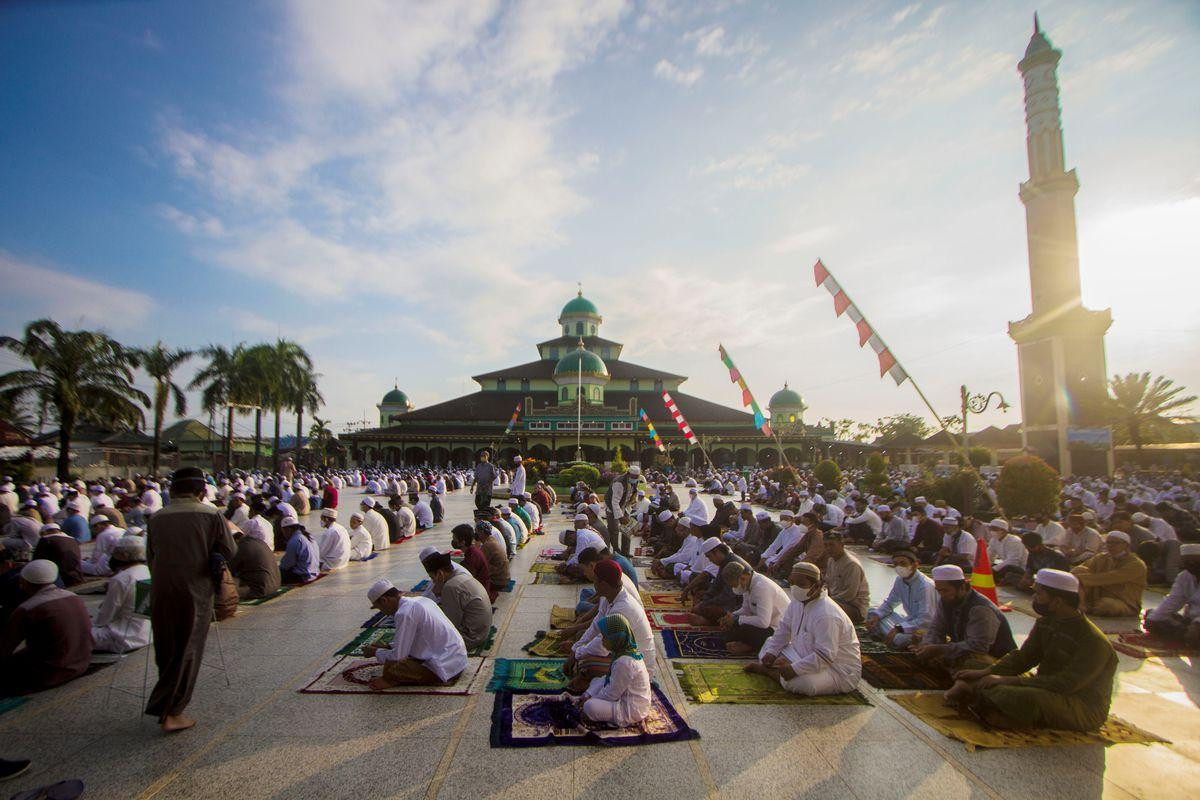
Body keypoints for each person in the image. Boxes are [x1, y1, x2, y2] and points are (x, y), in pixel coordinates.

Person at [946, 569, 1118, 732]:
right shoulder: (1047, 622)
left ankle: (979, 696)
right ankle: (982, 695)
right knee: (972, 665)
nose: (1034, 598)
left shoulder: (1093, 641)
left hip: (1080, 705)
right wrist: (986, 671)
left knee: (1022, 696)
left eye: (1039, 594)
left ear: (1057, 601)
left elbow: (1066, 684)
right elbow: (1023, 658)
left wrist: (1006, 680)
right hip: (1046, 686)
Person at [144, 467, 236, 733]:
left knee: (167, 646)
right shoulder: (211, 515)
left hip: (162, 588)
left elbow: (151, 556)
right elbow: (229, 549)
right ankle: (173, 711)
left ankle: (167, 702)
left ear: (172, 490)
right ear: (202, 491)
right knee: (189, 646)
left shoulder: (158, 517)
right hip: (195, 590)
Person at [745, 562, 862, 696]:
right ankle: (780, 669)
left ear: (817, 586)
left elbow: (825, 657)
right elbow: (784, 628)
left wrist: (794, 669)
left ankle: (770, 672)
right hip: (803, 654)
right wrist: (772, 652)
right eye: (792, 583)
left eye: (800, 584)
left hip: (837, 670)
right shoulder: (797, 602)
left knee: (804, 684)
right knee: (768, 645)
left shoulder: (826, 614)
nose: (794, 588)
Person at [0, 560, 92, 694]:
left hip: (50, 674)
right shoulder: (73, 596)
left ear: (23, 583)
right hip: (82, 664)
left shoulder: (28, 608)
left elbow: (5, 648)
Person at [565, 560, 654, 690]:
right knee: (582, 654)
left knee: (587, 664)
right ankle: (592, 679)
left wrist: (577, 653)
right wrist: (575, 649)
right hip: (622, 654)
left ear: (603, 584)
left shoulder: (622, 607)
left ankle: (593, 684)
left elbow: (601, 645)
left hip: (638, 665)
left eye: (595, 580)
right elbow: (596, 626)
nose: (593, 584)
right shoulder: (610, 597)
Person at [362, 579, 467, 689]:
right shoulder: (421, 600)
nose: (383, 612)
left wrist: (375, 652)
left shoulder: (404, 613)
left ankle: (391, 680)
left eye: (380, 608)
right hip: (457, 660)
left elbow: (398, 657)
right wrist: (387, 647)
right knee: (394, 657)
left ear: (384, 601)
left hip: (444, 667)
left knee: (393, 667)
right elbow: (418, 638)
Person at [914, 565, 1016, 675]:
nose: (942, 595)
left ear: (962, 587)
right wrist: (927, 644)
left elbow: (978, 646)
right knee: (920, 635)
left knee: (971, 661)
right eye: (939, 591)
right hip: (963, 647)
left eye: (945, 590)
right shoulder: (946, 599)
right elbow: (936, 628)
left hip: (992, 657)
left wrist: (939, 649)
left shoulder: (980, 609)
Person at [576, 613, 652, 727]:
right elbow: (610, 681)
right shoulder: (623, 653)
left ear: (615, 639)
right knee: (597, 681)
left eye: (605, 637)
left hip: (631, 709)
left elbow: (611, 694)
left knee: (589, 707)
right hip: (624, 697)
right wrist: (589, 693)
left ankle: (601, 714)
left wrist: (591, 699)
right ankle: (589, 697)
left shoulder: (625, 662)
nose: (602, 641)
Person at [864, 549, 937, 648]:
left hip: (924, 629)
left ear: (915, 565)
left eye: (903, 563)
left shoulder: (925, 586)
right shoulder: (900, 580)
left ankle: (887, 635)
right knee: (873, 611)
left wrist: (899, 628)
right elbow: (890, 603)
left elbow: (926, 620)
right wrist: (877, 617)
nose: (899, 567)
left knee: (899, 639)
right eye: (896, 564)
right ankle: (888, 635)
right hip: (909, 622)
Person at [91, 535, 152, 653]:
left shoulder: (121, 578)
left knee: (76, 633)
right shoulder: (148, 572)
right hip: (146, 634)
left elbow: (104, 618)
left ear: (123, 556)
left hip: (123, 638)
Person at [422, 552, 493, 650]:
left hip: (470, 638)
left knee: (424, 638)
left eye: (432, 578)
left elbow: (450, 624)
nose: (433, 582)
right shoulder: (461, 575)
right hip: (481, 632)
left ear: (440, 574)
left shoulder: (450, 587)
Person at [719, 560, 790, 655]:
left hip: (776, 629)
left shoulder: (762, 588)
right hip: (764, 625)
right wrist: (731, 616)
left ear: (743, 578)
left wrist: (736, 620)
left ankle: (750, 646)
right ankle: (748, 644)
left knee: (742, 630)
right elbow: (746, 609)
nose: (736, 588)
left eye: (735, 585)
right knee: (729, 632)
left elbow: (763, 622)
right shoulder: (748, 584)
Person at [1071, 531, 1147, 617]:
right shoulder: (1101, 558)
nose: (1110, 546)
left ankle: (1083, 606)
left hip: (1123, 601)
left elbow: (1110, 577)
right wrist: (1074, 577)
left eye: (1115, 543)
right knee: (1079, 570)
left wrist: (1078, 579)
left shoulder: (1137, 564)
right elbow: (1078, 572)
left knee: (1106, 606)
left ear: (1126, 545)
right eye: (1108, 543)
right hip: (1097, 596)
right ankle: (1082, 605)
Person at [1143, 543, 1200, 645]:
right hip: (1189, 619)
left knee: (1194, 634)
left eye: (1195, 561)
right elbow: (1172, 601)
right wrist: (1153, 619)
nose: (1191, 564)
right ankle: (1185, 634)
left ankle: (1186, 634)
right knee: (1151, 615)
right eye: (1187, 561)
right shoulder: (1184, 576)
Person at [822, 531, 870, 624]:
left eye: (832, 545)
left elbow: (849, 595)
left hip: (854, 608)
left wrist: (826, 600)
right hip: (837, 601)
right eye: (826, 545)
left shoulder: (851, 564)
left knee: (822, 606)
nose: (828, 548)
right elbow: (828, 584)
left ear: (841, 544)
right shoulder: (831, 560)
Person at [228, 529, 281, 601]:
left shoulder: (241, 547)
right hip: (276, 586)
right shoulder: (259, 541)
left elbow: (230, 569)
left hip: (260, 590)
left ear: (235, 540)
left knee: (226, 586)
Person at [32, 523, 83, 587]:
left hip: (62, 579)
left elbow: (36, 560)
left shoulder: (45, 539)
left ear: (45, 532)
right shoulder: (72, 539)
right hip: (77, 577)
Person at [451, 524, 492, 600]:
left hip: (480, 594)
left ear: (462, 542)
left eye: (454, 539)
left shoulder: (472, 557)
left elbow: (466, 581)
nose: (453, 541)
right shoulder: (472, 551)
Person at [278, 516, 320, 584]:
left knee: (275, 575)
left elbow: (286, 565)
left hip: (304, 576)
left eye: (283, 531)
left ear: (288, 529)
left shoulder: (295, 540)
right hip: (314, 572)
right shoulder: (308, 536)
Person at [988, 520, 1027, 587]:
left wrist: (993, 569)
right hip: (1006, 566)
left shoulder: (1015, 541)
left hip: (1020, 568)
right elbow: (989, 555)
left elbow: (1013, 561)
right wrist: (985, 567)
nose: (991, 531)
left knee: (1003, 568)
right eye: (990, 529)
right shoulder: (994, 540)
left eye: (994, 529)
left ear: (1003, 531)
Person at [476, 521, 509, 599]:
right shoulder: (491, 540)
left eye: (477, 532)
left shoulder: (488, 545)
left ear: (481, 532)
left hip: (498, 581)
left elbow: (479, 563)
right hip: (504, 577)